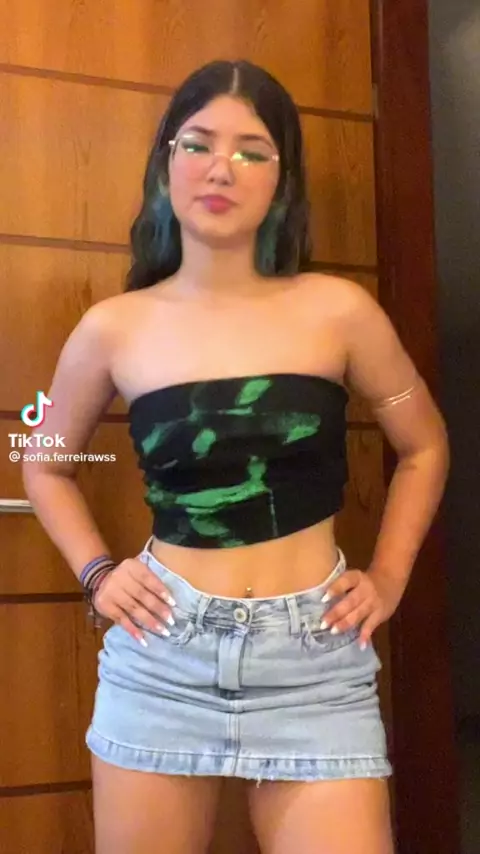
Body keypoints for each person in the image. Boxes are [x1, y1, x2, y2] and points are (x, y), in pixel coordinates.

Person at [22, 59, 449, 854]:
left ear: (283, 179)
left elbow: (424, 445)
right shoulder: (112, 327)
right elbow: (42, 462)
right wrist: (98, 574)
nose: (222, 167)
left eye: (252, 150)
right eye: (199, 144)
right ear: (166, 161)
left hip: (316, 664)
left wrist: (389, 578)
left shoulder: (339, 311)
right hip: (162, 658)